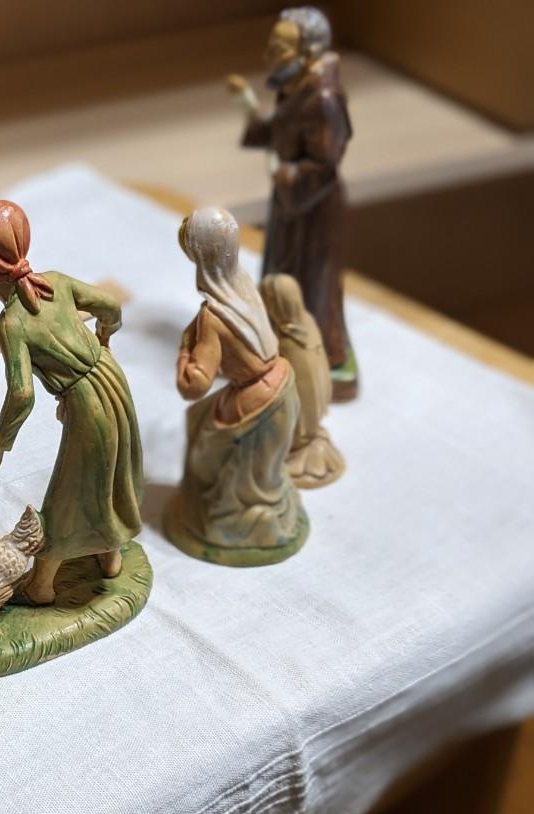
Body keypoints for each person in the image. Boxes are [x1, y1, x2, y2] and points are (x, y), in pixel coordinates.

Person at [0, 200, 143, 604]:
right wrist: (104, 338)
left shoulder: (12, 323)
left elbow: (21, 393)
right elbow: (110, 306)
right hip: (112, 381)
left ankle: (42, 585)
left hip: (86, 403)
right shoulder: (58, 282)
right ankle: (110, 558)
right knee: (110, 472)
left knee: (69, 491)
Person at [227, 6, 356, 398]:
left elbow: (324, 165)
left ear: (309, 52)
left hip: (313, 207)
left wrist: (283, 173)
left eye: (279, 49)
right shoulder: (295, 87)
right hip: (290, 204)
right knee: (280, 271)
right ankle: (277, 337)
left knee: (311, 284)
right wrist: (247, 102)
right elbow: (276, 130)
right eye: (271, 48)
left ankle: (319, 352)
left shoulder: (324, 100)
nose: (271, 57)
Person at [168, 208, 307, 565]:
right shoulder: (242, 284)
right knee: (258, 466)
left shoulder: (212, 316)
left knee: (204, 443)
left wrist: (185, 351)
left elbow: (194, 386)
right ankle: (259, 507)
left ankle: (228, 519)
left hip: (256, 398)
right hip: (283, 382)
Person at [261, 273, 346, 488]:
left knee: (296, 423)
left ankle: (301, 448)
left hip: (301, 404)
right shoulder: (304, 321)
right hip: (314, 395)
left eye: (270, 301)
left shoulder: (290, 339)